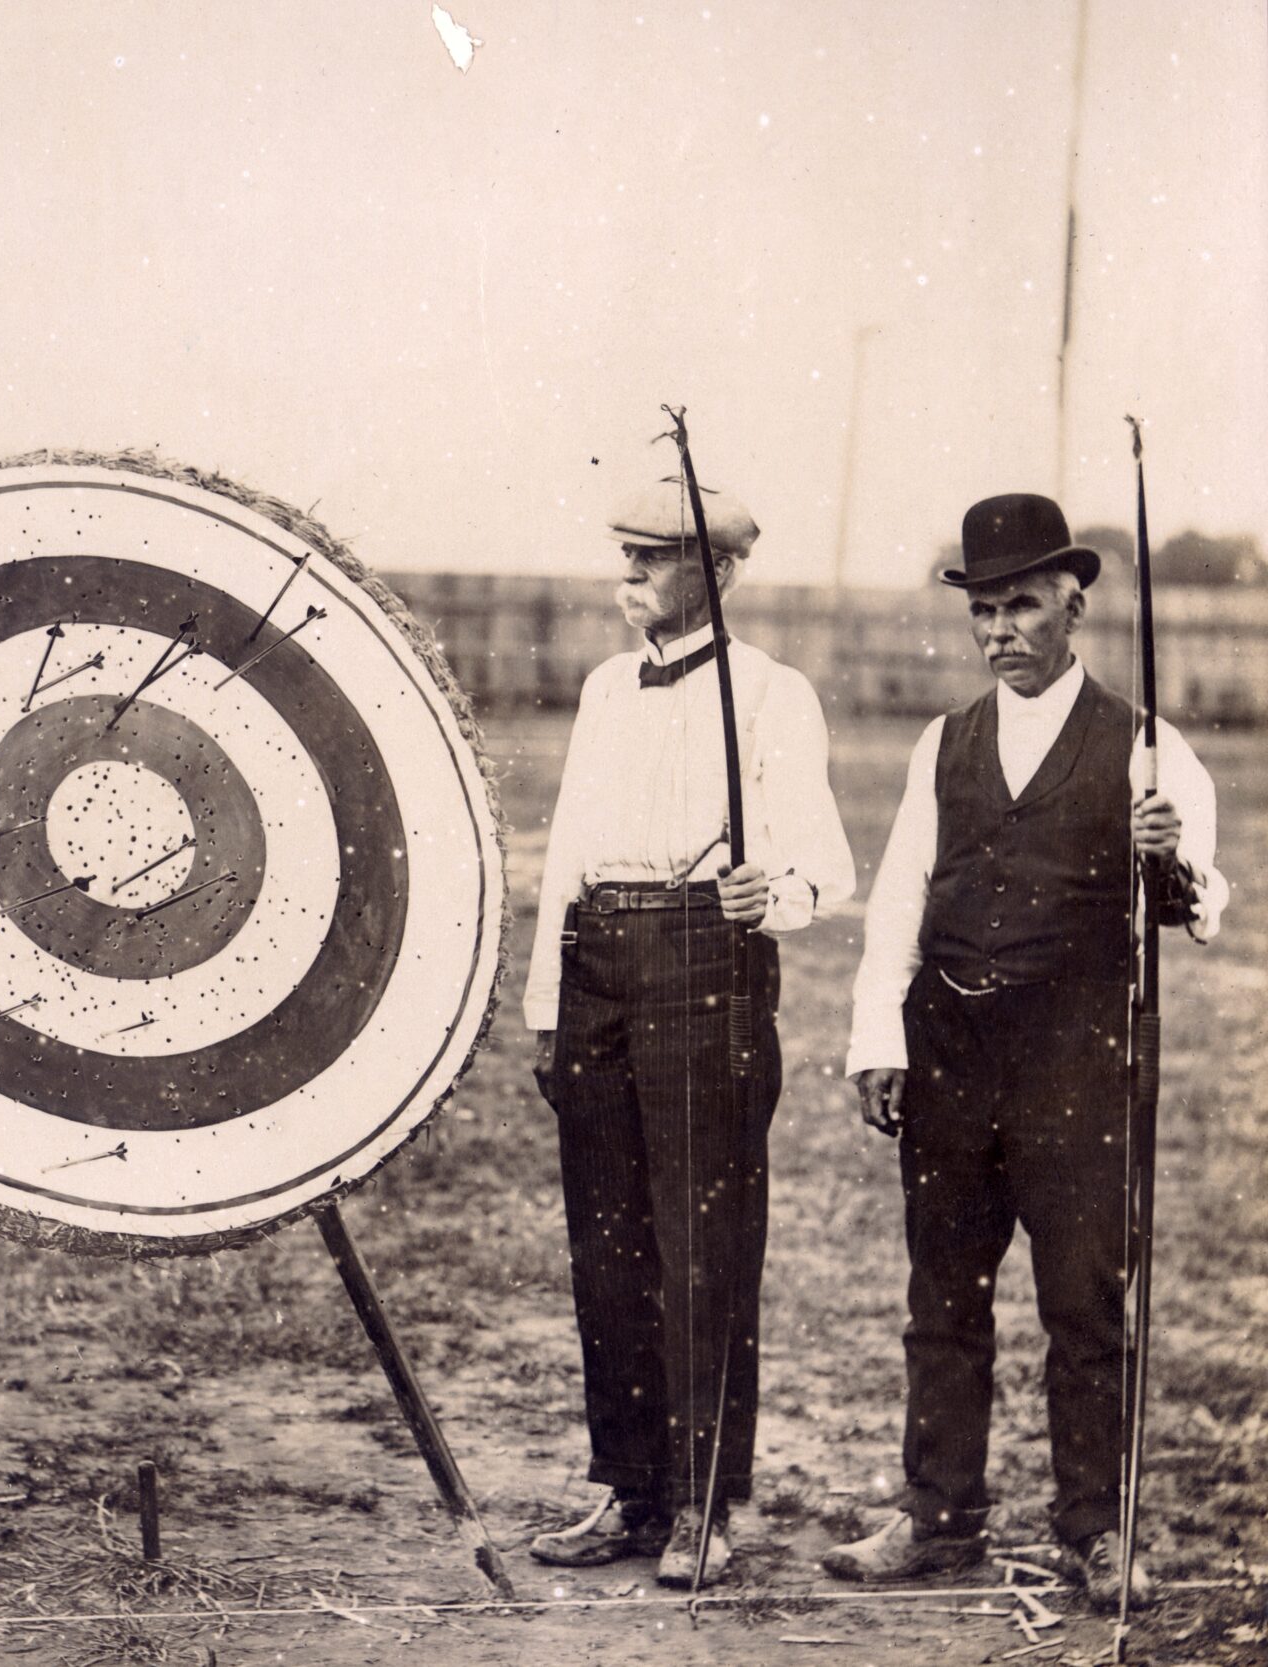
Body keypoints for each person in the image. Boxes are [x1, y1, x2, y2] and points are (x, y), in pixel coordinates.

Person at [827, 493, 1227, 1607]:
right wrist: (878, 1036)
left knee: (1082, 1304)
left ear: (1073, 607)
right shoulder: (941, 742)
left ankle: (1095, 1528)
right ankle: (938, 1514)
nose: (1000, 630)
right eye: (984, 610)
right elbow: (900, 897)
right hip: (950, 1048)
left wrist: (1166, 855)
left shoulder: (1147, 746)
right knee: (941, 1297)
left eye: (1023, 607)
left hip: (1076, 1058)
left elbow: (1202, 907)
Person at [522, 474, 855, 1589]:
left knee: (701, 1246)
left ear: (720, 571)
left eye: (653, 555)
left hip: (705, 964)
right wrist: (546, 1007)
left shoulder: (770, 693)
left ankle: (705, 1502)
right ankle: (631, 1489)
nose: (628, 572)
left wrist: (776, 893)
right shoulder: (602, 689)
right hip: (596, 968)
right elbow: (567, 854)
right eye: (624, 551)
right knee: (606, 1244)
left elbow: (826, 864)